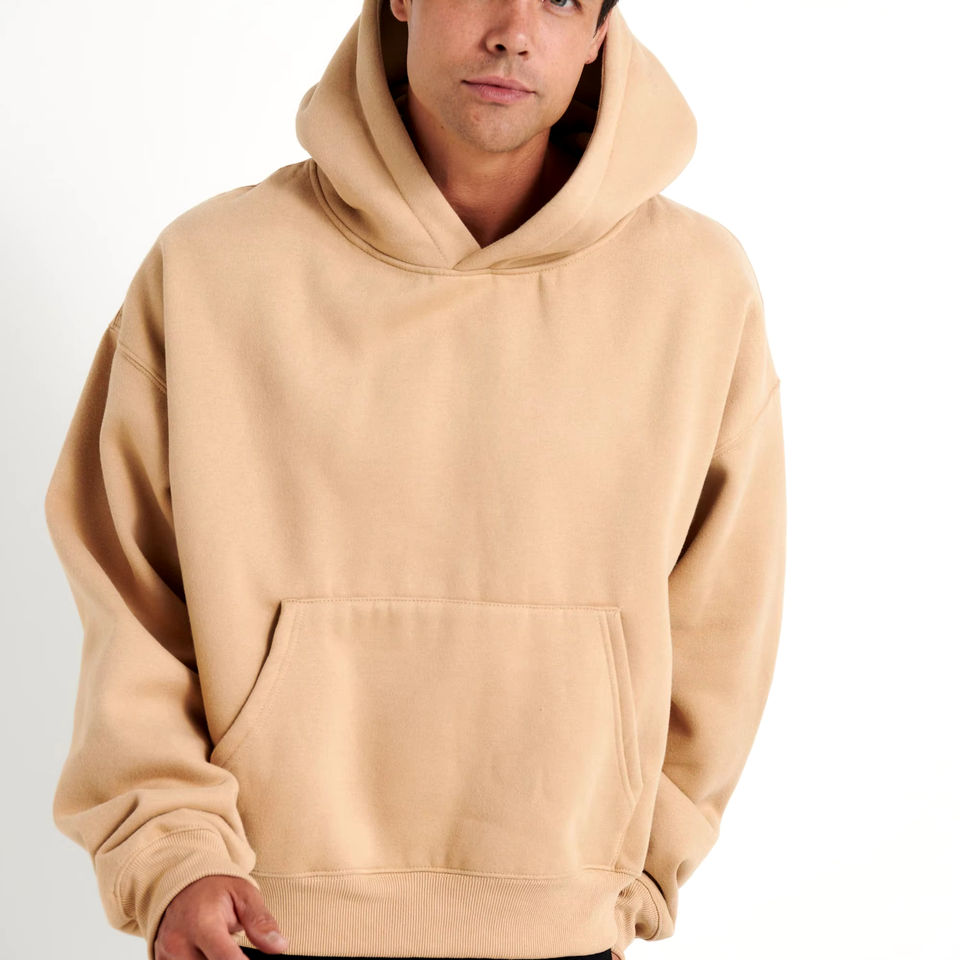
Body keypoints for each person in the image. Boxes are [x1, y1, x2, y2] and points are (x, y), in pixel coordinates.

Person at [44, 1, 787, 959]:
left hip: (562, 928)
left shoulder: (697, 288)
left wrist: (635, 870)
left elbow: (726, 613)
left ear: (602, 32)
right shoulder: (212, 270)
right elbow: (129, 601)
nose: (514, 29)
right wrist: (172, 853)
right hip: (260, 921)